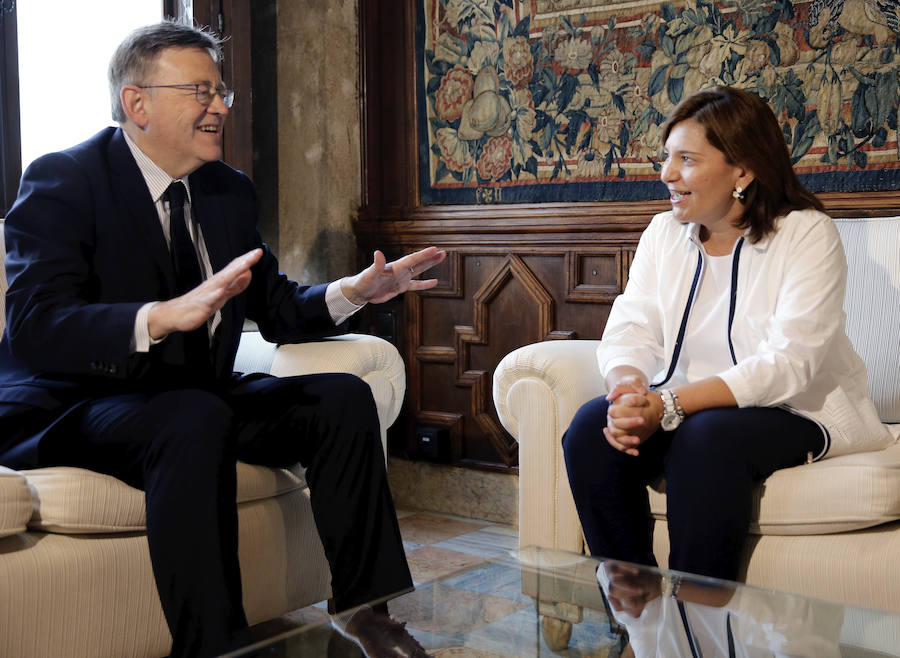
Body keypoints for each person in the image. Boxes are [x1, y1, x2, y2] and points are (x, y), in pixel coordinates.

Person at [0, 20, 444, 658]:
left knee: (340, 399)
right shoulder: (65, 180)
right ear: (137, 103)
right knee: (195, 415)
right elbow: (36, 326)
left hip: (190, 397)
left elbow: (278, 308)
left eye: (220, 91)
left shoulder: (226, 191)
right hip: (80, 400)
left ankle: (365, 617)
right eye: (199, 91)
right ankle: (214, 647)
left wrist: (355, 292)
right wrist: (158, 316)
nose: (219, 107)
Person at [562, 86, 894, 584]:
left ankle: (703, 622)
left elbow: (791, 361)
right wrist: (629, 387)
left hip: (795, 407)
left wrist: (670, 405)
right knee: (593, 426)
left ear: (743, 169)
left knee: (707, 436)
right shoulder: (662, 234)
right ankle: (638, 611)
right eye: (666, 158)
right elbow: (632, 323)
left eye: (687, 160)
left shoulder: (806, 233)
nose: (667, 175)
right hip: (679, 405)